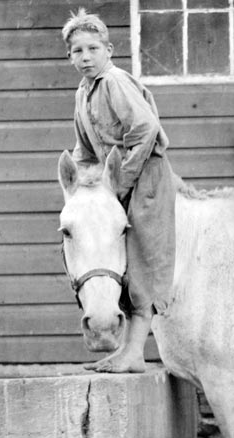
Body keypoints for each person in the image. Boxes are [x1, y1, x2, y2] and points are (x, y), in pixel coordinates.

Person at [62, 8, 176, 373]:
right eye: (77, 51)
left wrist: (121, 182)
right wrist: (84, 188)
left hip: (146, 174)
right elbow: (83, 151)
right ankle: (121, 342)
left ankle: (136, 353)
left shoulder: (114, 81)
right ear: (70, 57)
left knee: (141, 254)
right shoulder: (83, 92)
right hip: (114, 180)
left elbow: (145, 130)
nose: (86, 57)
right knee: (108, 250)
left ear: (109, 50)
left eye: (93, 49)